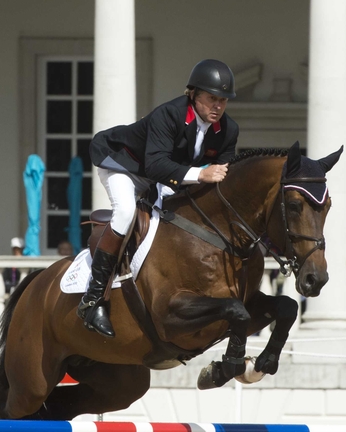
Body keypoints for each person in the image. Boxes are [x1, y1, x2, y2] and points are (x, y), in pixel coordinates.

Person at [82, 59, 239, 338]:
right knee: (126, 212)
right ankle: (93, 300)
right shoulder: (169, 115)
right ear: (193, 94)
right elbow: (155, 165)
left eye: (223, 101)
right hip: (124, 166)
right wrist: (201, 175)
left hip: (165, 176)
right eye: (212, 98)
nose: (218, 106)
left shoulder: (228, 131)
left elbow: (221, 179)